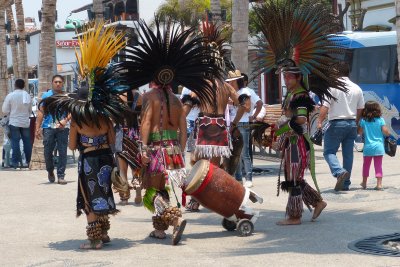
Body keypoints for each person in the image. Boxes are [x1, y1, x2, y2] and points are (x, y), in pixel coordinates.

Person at [123, 18, 222, 245]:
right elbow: (183, 128)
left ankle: (175, 220)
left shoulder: (149, 97)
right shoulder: (177, 100)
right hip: (174, 149)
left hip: (156, 149)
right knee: (164, 190)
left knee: (151, 190)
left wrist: (143, 148)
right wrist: (182, 150)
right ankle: (159, 230)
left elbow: (146, 123)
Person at [41, 22, 131, 249]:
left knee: (89, 198)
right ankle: (105, 232)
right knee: (104, 191)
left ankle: (95, 238)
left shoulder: (78, 122)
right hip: (105, 159)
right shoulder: (105, 118)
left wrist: (81, 138)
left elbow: (72, 145)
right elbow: (112, 142)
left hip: (89, 160)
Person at [317, 63, 365, 191]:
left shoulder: (332, 87)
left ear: (337, 72)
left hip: (336, 124)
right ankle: (345, 184)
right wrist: (356, 121)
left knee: (329, 152)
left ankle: (339, 172)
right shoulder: (357, 88)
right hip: (351, 124)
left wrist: (319, 121)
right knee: (348, 155)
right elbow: (361, 108)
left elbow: (325, 106)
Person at [228, 70, 263, 188]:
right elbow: (259, 103)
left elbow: (247, 107)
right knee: (237, 152)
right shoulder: (239, 92)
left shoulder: (244, 92)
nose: (229, 83)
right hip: (236, 123)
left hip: (240, 123)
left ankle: (248, 178)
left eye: (231, 81)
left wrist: (253, 115)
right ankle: (239, 178)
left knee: (244, 153)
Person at [35, 75, 70, 184]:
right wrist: (37, 128)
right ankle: (50, 170)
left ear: (63, 83)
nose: (58, 84)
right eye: (56, 82)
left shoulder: (66, 96)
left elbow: (71, 111)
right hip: (48, 127)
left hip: (62, 128)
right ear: (52, 83)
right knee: (47, 152)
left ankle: (61, 175)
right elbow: (41, 112)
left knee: (63, 151)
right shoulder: (47, 96)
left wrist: (65, 120)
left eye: (60, 82)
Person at [358, 101, 390, 190]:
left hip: (368, 147)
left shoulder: (363, 121)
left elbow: (359, 132)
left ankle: (364, 183)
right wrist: (388, 133)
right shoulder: (380, 120)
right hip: (379, 147)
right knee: (378, 165)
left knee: (366, 165)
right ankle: (379, 184)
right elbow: (386, 132)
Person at [2, 79, 32, 168]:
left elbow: (4, 110)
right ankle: (28, 161)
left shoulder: (11, 96)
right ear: (24, 85)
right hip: (25, 122)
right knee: (27, 142)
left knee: (15, 142)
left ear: (15, 85)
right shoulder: (27, 95)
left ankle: (15, 162)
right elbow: (30, 111)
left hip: (14, 122)